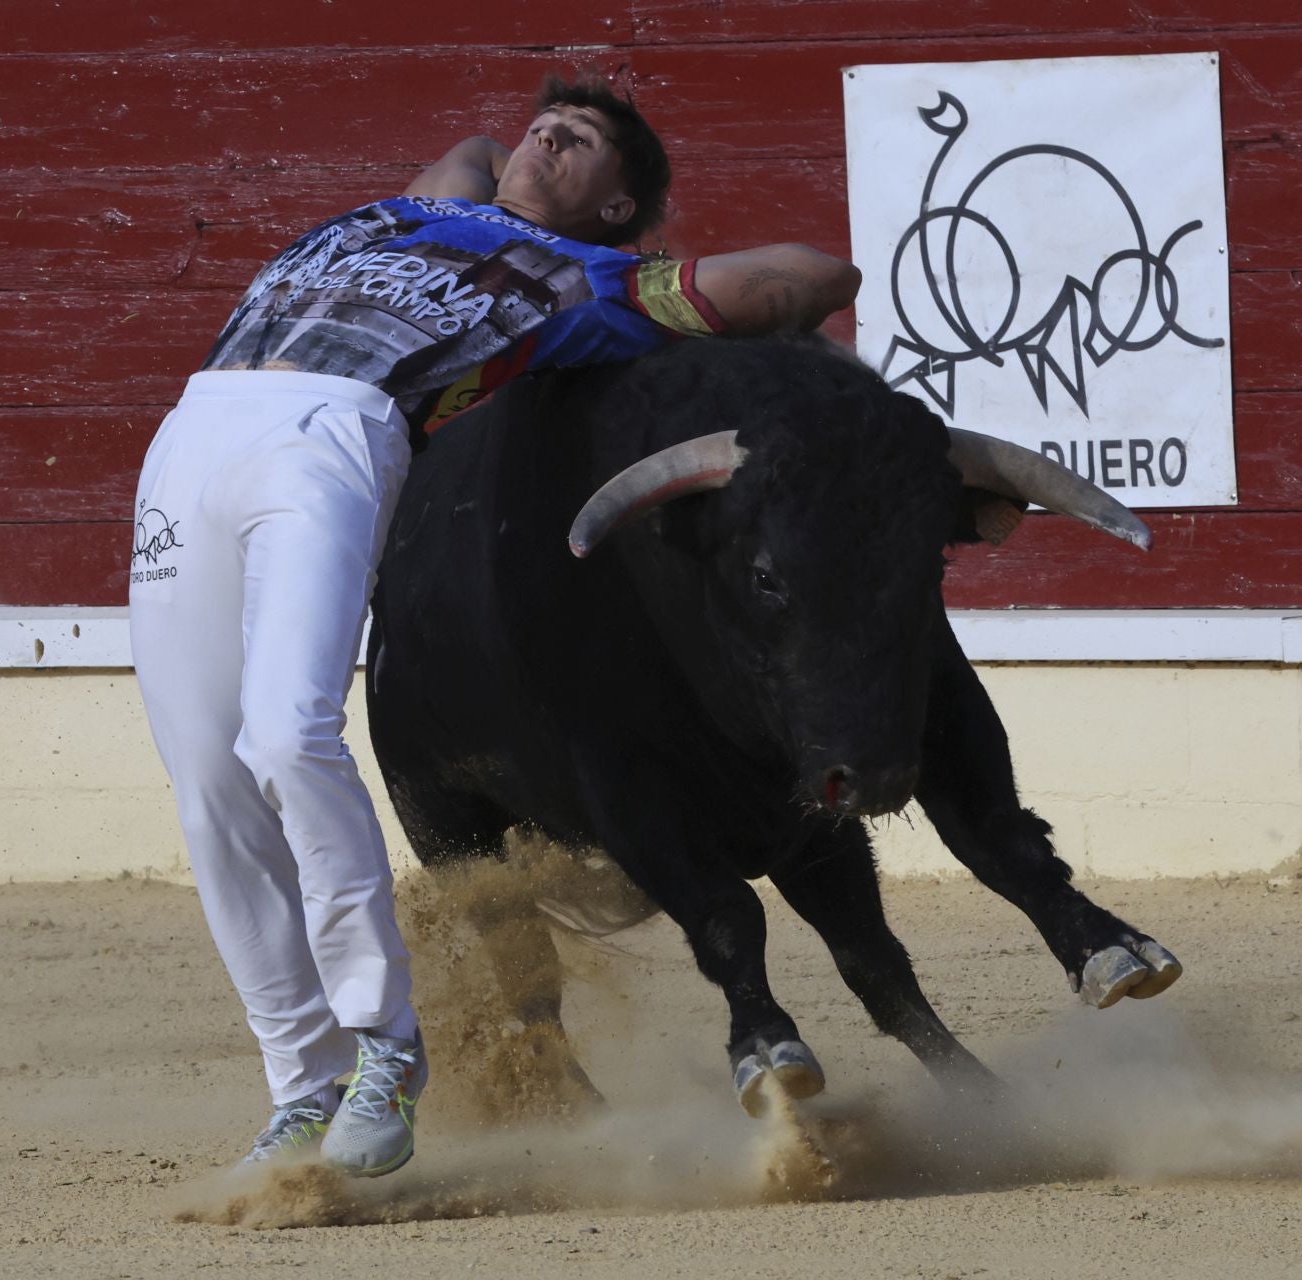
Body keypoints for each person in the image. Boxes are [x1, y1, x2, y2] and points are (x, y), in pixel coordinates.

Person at [126, 74, 861, 1177]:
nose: (549, 135)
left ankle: (383, 1048)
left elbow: (813, 276)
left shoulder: (595, 283)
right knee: (208, 784)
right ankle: (301, 1089)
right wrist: (504, 189)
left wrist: (647, 275)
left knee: (286, 735)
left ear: (621, 210)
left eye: (585, 144)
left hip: (337, 428)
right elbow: (472, 150)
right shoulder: (427, 202)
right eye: (542, 126)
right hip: (195, 428)